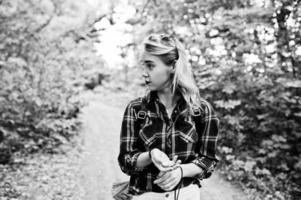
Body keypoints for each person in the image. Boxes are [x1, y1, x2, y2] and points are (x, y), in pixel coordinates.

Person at [117, 33, 219, 200]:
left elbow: (208, 160)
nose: (144, 73)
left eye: (150, 66)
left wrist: (181, 171)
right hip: (144, 195)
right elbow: (125, 161)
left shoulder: (201, 110)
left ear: (173, 66)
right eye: (144, 66)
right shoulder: (136, 109)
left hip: (186, 195)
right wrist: (151, 155)